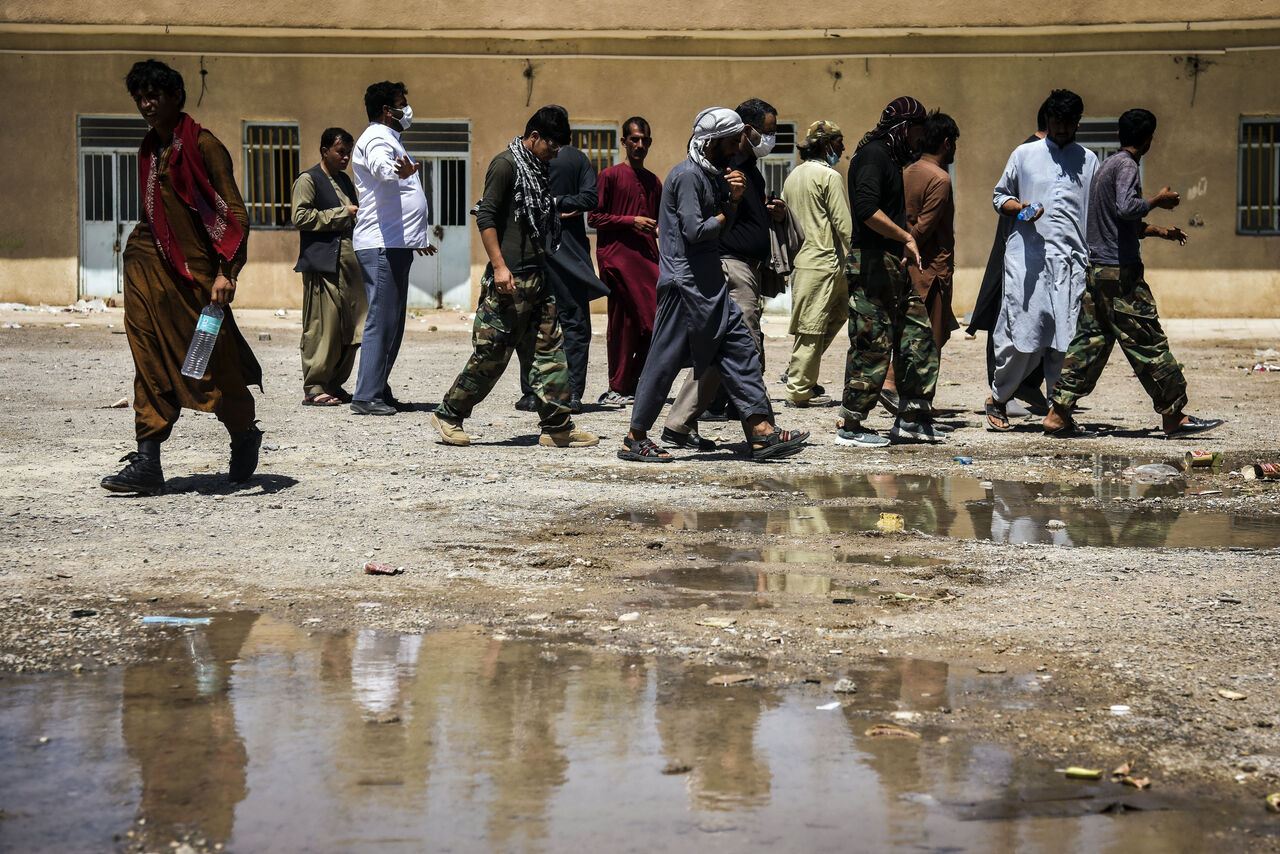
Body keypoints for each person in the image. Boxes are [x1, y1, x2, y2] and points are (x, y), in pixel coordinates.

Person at [101, 59, 262, 495]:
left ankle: (244, 433)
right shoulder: (150, 148)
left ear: (176, 96)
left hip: (197, 280)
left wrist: (228, 272)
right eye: (140, 97)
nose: (146, 104)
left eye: (154, 95)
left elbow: (235, 215)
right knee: (147, 357)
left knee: (211, 365)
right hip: (147, 270)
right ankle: (148, 462)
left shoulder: (204, 146)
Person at [619, 107, 809, 463]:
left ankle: (760, 431)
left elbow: (720, 222)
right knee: (663, 362)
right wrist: (729, 206)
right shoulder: (688, 176)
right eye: (735, 138)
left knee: (741, 351)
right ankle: (635, 437)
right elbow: (696, 231)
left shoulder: (711, 174)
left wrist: (732, 202)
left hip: (711, 286)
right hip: (684, 286)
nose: (740, 143)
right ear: (714, 142)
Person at [1044, 108, 1224, 438]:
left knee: (1090, 345)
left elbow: (1117, 221)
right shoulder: (1127, 166)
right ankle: (1174, 416)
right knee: (1148, 341)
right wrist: (1158, 199)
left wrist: (1158, 231)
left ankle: (1058, 415)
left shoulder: (1108, 166)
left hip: (1099, 273)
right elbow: (1127, 207)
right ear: (1148, 139)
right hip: (1120, 277)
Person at [431, 106, 598, 449]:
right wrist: (499, 266)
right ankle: (449, 414)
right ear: (534, 136)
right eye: (552, 145)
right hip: (510, 281)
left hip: (539, 275)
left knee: (550, 353)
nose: (555, 153)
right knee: (491, 355)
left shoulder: (538, 170)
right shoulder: (506, 165)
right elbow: (486, 215)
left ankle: (557, 427)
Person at [661, 98, 790, 450]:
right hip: (730, 266)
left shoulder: (749, 168)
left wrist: (771, 214)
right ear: (743, 131)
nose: (771, 139)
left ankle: (678, 424)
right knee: (744, 346)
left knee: (725, 349)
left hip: (744, 267)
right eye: (767, 131)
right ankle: (762, 431)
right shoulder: (723, 165)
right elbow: (703, 220)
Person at [985, 89, 1099, 432]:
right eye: (1055, 121)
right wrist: (1019, 209)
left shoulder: (1089, 159)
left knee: (1064, 340)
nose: (1061, 128)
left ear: (1077, 123)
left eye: (1068, 122)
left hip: (1072, 262)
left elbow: (1093, 212)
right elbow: (998, 196)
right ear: (1047, 120)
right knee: (1022, 335)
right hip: (1028, 260)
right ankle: (998, 398)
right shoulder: (1025, 154)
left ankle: (1057, 411)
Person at [840, 96, 941, 447]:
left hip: (890, 262)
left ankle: (912, 417)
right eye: (918, 131)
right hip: (870, 262)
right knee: (872, 345)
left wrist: (901, 245)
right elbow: (867, 209)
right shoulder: (873, 156)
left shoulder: (890, 159)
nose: (920, 140)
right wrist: (906, 238)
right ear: (904, 128)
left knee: (917, 337)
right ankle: (850, 425)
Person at [349, 80, 436, 416]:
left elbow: (399, 201)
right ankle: (365, 396)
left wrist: (418, 238)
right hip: (381, 243)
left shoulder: (393, 140)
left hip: (395, 243)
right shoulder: (376, 139)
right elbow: (381, 169)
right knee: (381, 320)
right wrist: (394, 170)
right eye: (402, 103)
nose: (407, 109)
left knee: (394, 321)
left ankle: (378, 389)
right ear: (388, 110)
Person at [514, 128, 607, 414]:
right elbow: (591, 199)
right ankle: (573, 392)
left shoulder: (520, 158)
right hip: (568, 252)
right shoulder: (577, 158)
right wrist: (562, 203)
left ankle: (532, 392)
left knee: (531, 323)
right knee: (574, 324)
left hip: (531, 250)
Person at [968, 98, 1051, 416]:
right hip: (1016, 250)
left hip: (1039, 253)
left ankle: (1023, 384)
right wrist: (1026, 210)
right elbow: (1004, 198)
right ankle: (1001, 392)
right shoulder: (1028, 154)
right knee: (1003, 315)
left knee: (1038, 317)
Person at [291, 127, 367, 407]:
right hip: (324, 266)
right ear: (324, 151)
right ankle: (314, 387)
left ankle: (335, 383)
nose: (345, 157)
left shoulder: (345, 181)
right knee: (323, 326)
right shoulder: (308, 180)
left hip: (349, 265)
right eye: (340, 152)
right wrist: (341, 214)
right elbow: (300, 216)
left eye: (348, 152)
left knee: (352, 325)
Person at [780, 120, 853, 408]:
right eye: (839, 142)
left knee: (838, 313)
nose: (842, 148)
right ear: (826, 145)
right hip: (822, 263)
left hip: (807, 262)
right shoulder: (829, 176)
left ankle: (800, 371)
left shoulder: (793, 176)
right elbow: (842, 223)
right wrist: (859, 253)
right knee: (811, 328)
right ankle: (798, 389)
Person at [590, 117, 661, 405]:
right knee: (622, 324)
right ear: (623, 142)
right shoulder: (609, 176)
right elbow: (595, 217)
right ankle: (617, 387)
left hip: (647, 261)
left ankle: (635, 382)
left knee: (654, 323)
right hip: (617, 260)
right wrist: (631, 221)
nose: (639, 145)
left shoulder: (653, 181)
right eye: (634, 139)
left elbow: (657, 222)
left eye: (644, 139)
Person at [902, 111, 960, 354]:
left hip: (909, 269)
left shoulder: (907, 172)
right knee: (929, 345)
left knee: (909, 338)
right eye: (954, 143)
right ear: (947, 143)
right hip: (932, 273)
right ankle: (895, 384)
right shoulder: (940, 179)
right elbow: (923, 228)